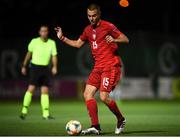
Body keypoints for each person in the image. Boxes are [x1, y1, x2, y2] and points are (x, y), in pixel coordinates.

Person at [55, 4, 129, 135]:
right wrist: (62, 38)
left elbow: (126, 39)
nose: (91, 18)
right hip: (98, 67)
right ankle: (95, 126)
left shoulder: (108, 26)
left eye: (94, 15)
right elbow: (78, 44)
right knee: (87, 94)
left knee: (104, 97)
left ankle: (121, 119)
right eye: (89, 16)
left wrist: (114, 38)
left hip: (110, 66)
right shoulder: (88, 30)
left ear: (99, 14)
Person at [20, 25, 58, 120]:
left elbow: (54, 56)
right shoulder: (34, 41)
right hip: (35, 67)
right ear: (39, 32)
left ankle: (46, 114)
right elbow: (29, 53)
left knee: (45, 91)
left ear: (47, 32)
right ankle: (24, 111)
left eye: (45, 31)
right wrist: (24, 66)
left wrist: (54, 67)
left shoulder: (51, 43)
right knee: (31, 88)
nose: (44, 33)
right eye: (42, 31)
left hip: (45, 68)